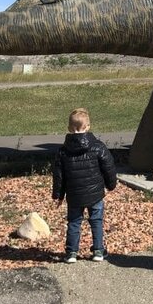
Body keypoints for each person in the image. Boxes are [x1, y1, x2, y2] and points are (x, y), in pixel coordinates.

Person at [52, 107, 117, 263]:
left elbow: (59, 176)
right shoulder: (97, 146)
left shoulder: (62, 152)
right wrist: (111, 184)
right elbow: (108, 167)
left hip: (74, 195)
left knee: (74, 222)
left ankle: (71, 253)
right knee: (96, 221)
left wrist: (58, 195)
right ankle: (98, 251)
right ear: (88, 126)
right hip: (95, 193)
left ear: (69, 128)